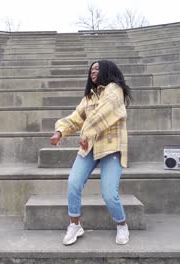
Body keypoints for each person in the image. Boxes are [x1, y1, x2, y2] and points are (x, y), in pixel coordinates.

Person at [50, 60, 132, 245]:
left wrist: (85, 132)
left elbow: (103, 113)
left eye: (97, 69)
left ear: (107, 71)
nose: (93, 72)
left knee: (109, 193)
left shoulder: (114, 89)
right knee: (73, 183)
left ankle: (122, 225)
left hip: (111, 147)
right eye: (91, 69)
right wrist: (59, 131)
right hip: (90, 147)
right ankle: (75, 225)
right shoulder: (89, 97)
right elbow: (75, 117)